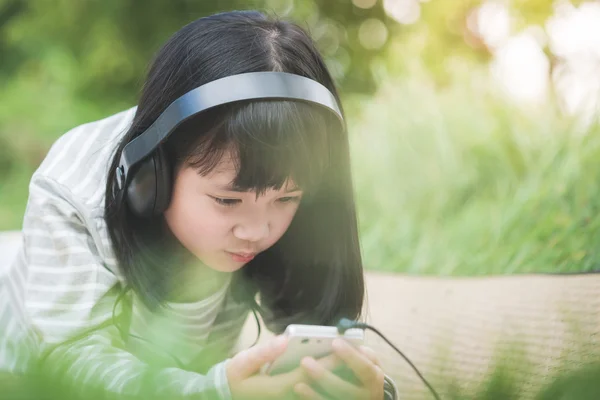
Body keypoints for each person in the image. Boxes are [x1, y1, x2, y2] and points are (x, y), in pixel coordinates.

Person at [0, 10, 399, 400]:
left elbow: (311, 331)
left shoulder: (271, 211)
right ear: (152, 175)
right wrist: (213, 391)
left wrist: (359, 387)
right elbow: (68, 360)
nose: (256, 231)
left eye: (287, 198)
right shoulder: (71, 188)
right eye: (228, 199)